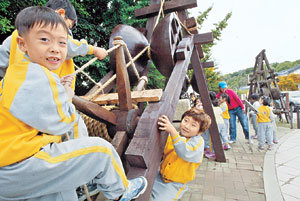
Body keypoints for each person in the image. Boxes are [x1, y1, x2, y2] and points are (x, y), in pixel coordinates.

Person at [0, 6, 147, 201]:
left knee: (62, 194)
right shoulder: (42, 77)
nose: (55, 48)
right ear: (22, 44)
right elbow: (63, 121)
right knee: (101, 151)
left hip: (11, 168)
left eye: (62, 43)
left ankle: (81, 183)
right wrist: (67, 95)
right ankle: (120, 191)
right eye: (44, 40)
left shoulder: (14, 74)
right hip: (20, 165)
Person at [0, 0, 107, 90]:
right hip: (46, 92)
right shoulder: (55, 36)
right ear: (60, 14)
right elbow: (71, 47)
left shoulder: (17, 35)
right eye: (68, 26)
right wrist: (94, 49)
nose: (56, 49)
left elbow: (2, 60)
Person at [151, 107, 211, 201]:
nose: (187, 126)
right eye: (185, 120)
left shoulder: (198, 143)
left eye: (193, 125)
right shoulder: (175, 136)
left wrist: (172, 131)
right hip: (160, 176)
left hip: (175, 184)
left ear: (200, 131)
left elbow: (185, 152)